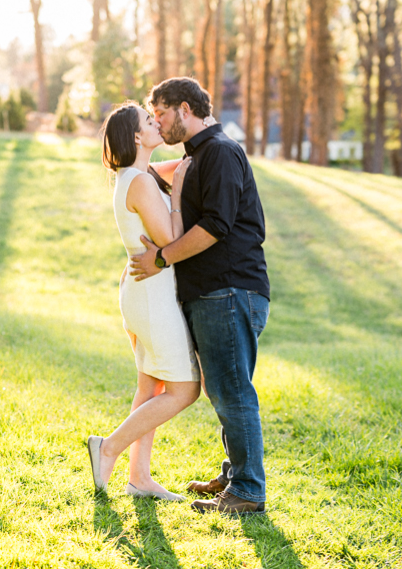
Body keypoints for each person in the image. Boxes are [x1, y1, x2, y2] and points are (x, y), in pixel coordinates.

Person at [128, 77, 271, 515]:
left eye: (162, 114)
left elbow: (215, 227)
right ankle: (235, 475)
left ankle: (247, 491)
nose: (158, 122)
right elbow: (148, 177)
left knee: (232, 391)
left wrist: (163, 258)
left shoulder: (222, 153)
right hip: (212, 293)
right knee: (222, 388)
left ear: (185, 109)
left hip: (229, 290)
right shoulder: (196, 158)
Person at [86, 102, 201, 501]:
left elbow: (181, 163)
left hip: (140, 292)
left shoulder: (136, 176)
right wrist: (182, 190)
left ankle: (139, 478)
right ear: (137, 136)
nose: (158, 124)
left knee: (149, 388)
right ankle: (108, 448)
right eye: (150, 122)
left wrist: (192, 156)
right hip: (151, 297)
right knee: (184, 389)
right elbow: (171, 239)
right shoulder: (139, 183)